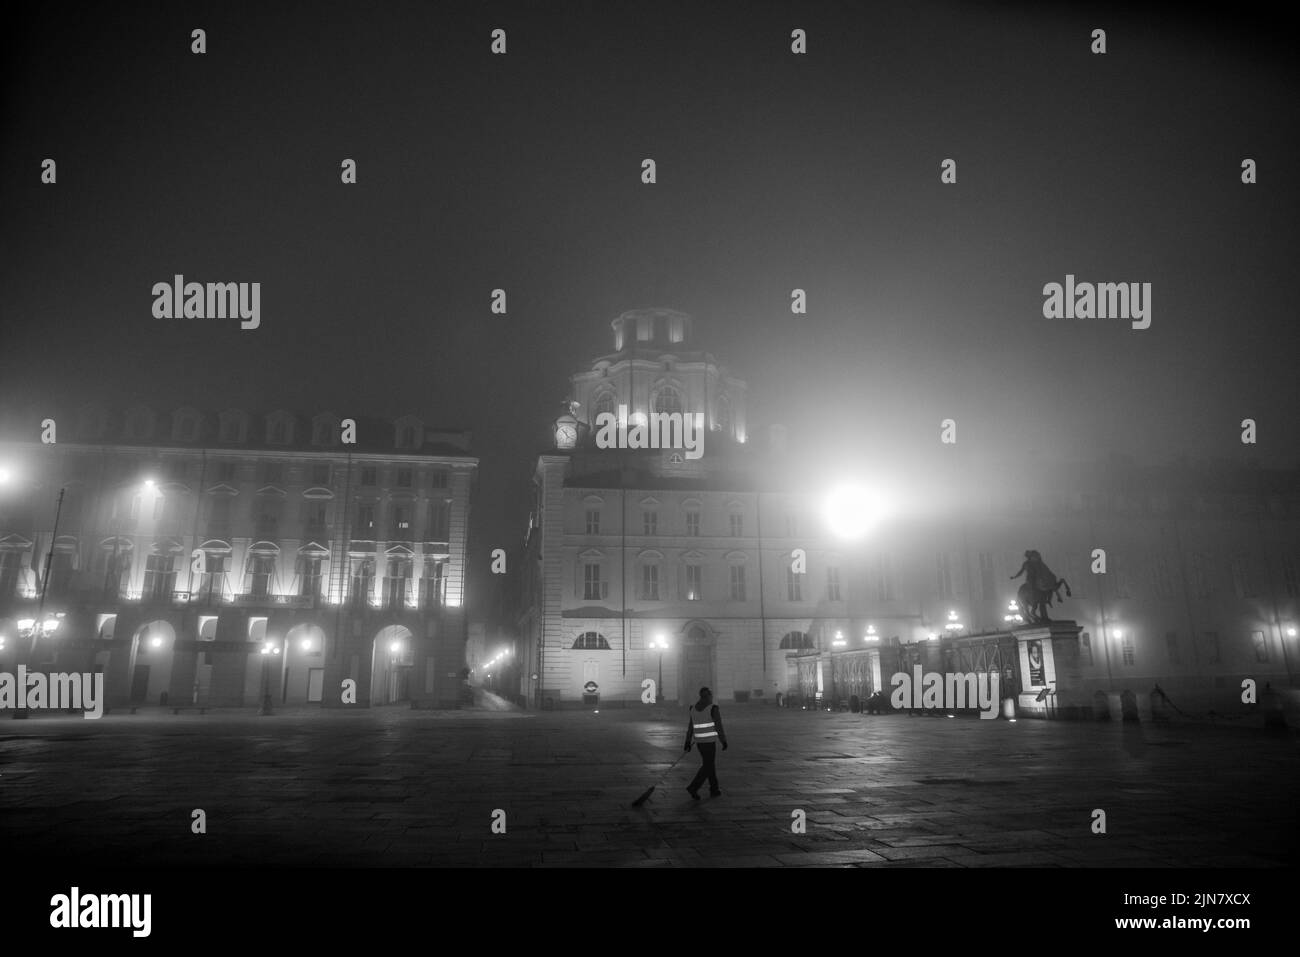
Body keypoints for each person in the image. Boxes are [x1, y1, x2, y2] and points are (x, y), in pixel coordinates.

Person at [683, 687, 728, 798]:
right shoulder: (713, 708)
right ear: (708, 696)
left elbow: (690, 727)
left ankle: (714, 789)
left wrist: (687, 741)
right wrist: (723, 741)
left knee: (709, 764)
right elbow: (719, 726)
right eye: (711, 696)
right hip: (709, 743)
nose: (711, 698)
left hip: (699, 743)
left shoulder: (692, 708)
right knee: (707, 766)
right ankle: (693, 787)